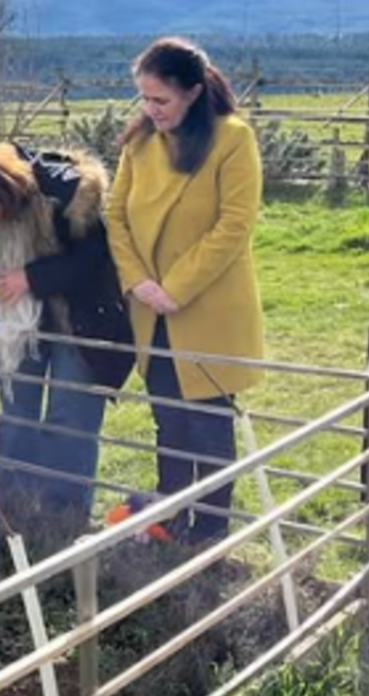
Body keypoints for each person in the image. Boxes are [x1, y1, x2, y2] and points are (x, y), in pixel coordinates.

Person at [104, 37, 264, 544]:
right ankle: (167, 521)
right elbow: (115, 214)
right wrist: (138, 282)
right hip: (150, 310)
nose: (151, 110)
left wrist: (176, 287)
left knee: (210, 428)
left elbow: (235, 223)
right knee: (168, 423)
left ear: (193, 92)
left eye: (161, 101)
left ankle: (212, 533)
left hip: (207, 308)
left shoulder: (233, 139)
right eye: (145, 100)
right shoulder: (139, 141)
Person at [0, 142, 134, 518]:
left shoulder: (66, 191)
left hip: (82, 319)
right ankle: (12, 507)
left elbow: (95, 256)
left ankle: (64, 515)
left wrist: (32, 277)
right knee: (17, 411)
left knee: (69, 416)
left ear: (3, 190)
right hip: (19, 324)